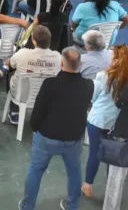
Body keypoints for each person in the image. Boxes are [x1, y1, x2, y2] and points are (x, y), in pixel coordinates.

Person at [20, 48, 92, 210]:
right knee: (74, 171)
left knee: (36, 170)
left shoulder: (50, 84)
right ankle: (73, 205)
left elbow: (38, 111)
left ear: (61, 63)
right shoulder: (88, 85)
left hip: (47, 136)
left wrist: (35, 128)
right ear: (80, 64)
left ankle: (27, 206)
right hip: (73, 138)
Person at [82, 45, 128, 198]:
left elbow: (92, 97)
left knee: (94, 153)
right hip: (116, 124)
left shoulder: (103, 75)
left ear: (116, 59)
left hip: (98, 120)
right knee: (114, 156)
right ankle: (112, 187)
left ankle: (88, 186)